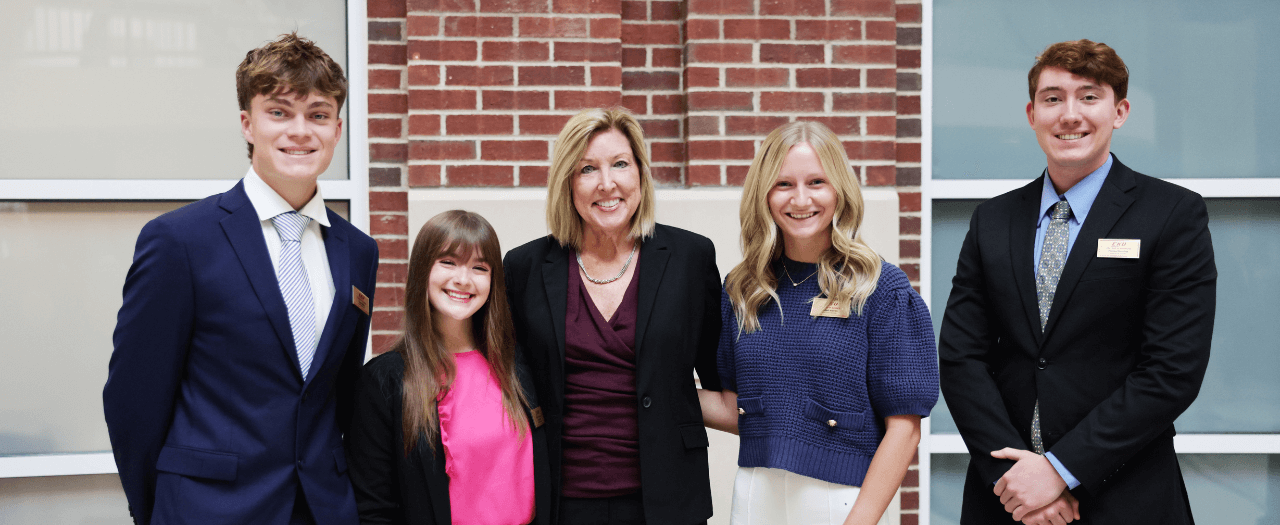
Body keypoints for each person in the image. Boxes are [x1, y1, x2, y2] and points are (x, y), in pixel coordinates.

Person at [103, 33, 378, 525]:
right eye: (279, 112)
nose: (301, 131)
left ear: (338, 129)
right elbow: (133, 401)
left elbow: (339, 397)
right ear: (248, 124)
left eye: (317, 114)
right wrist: (161, 510)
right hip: (206, 511)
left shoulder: (359, 251)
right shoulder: (180, 241)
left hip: (321, 510)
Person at [938, 39, 1216, 525]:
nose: (1070, 114)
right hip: (1005, 498)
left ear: (1120, 111)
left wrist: (1060, 472)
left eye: (1089, 96)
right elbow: (962, 359)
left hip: (1126, 497)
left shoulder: (1171, 214)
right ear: (1031, 113)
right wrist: (1018, 479)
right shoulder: (993, 221)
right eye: (1053, 98)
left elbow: (1172, 371)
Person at [700, 121, 938, 525]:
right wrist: (641, 385)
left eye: (816, 182)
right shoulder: (743, 288)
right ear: (764, 194)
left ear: (839, 190)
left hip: (839, 501)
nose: (801, 198)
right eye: (784, 184)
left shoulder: (880, 289)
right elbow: (732, 406)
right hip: (755, 493)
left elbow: (905, 430)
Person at [503, 107, 723, 524]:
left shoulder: (690, 259)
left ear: (640, 173)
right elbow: (508, 383)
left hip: (667, 500)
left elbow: (721, 382)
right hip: (559, 502)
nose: (608, 184)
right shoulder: (524, 267)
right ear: (568, 183)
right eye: (588, 169)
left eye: (620, 164)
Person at [345, 210, 551, 524]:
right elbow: (373, 510)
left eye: (479, 267)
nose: (463, 279)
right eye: (448, 262)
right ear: (422, 270)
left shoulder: (520, 365)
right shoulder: (383, 382)